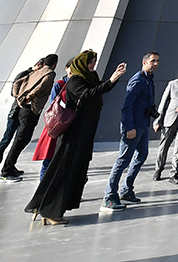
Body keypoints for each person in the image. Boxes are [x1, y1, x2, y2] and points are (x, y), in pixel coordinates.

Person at [24, 50, 127, 225]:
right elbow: (87, 94)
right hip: (73, 134)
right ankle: (49, 209)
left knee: (74, 170)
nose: (93, 65)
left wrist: (114, 77)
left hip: (84, 133)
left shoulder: (87, 79)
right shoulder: (75, 81)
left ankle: (51, 208)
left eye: (94, 62)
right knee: (63, 169)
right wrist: (110, 80)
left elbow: (99, 89)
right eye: (90, 62)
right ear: (81, 63)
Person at [104, 51, 159, 210]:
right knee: (122, 161)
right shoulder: (138, 80)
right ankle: (109, 196)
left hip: (143, 125)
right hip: (133, 127)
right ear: (144, 62)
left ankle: (126, 190)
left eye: (157, 61)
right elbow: (126, 106)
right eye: (152, 61)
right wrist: (129, 127)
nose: (155, 64)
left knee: (142, 155)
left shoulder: (149, 80)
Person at [0, 54, 59, 181]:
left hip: (24, 109)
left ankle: (10, 165)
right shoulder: (50, 73)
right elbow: (40, 87)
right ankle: (6, 170)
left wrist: (17, 97)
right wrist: (26, 98)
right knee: (21, 139)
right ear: (55, 64)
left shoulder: (35, 72)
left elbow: (17, 82)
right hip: (30, 109)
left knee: (21, 139)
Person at [0, 63, 35, 178]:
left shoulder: (36, 78)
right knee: (6, 139)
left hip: (24, 113)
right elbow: (13, 90)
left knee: (17, 141)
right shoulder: (25, 74)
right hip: (15, 113)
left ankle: (10, 165)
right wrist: (20, 98)